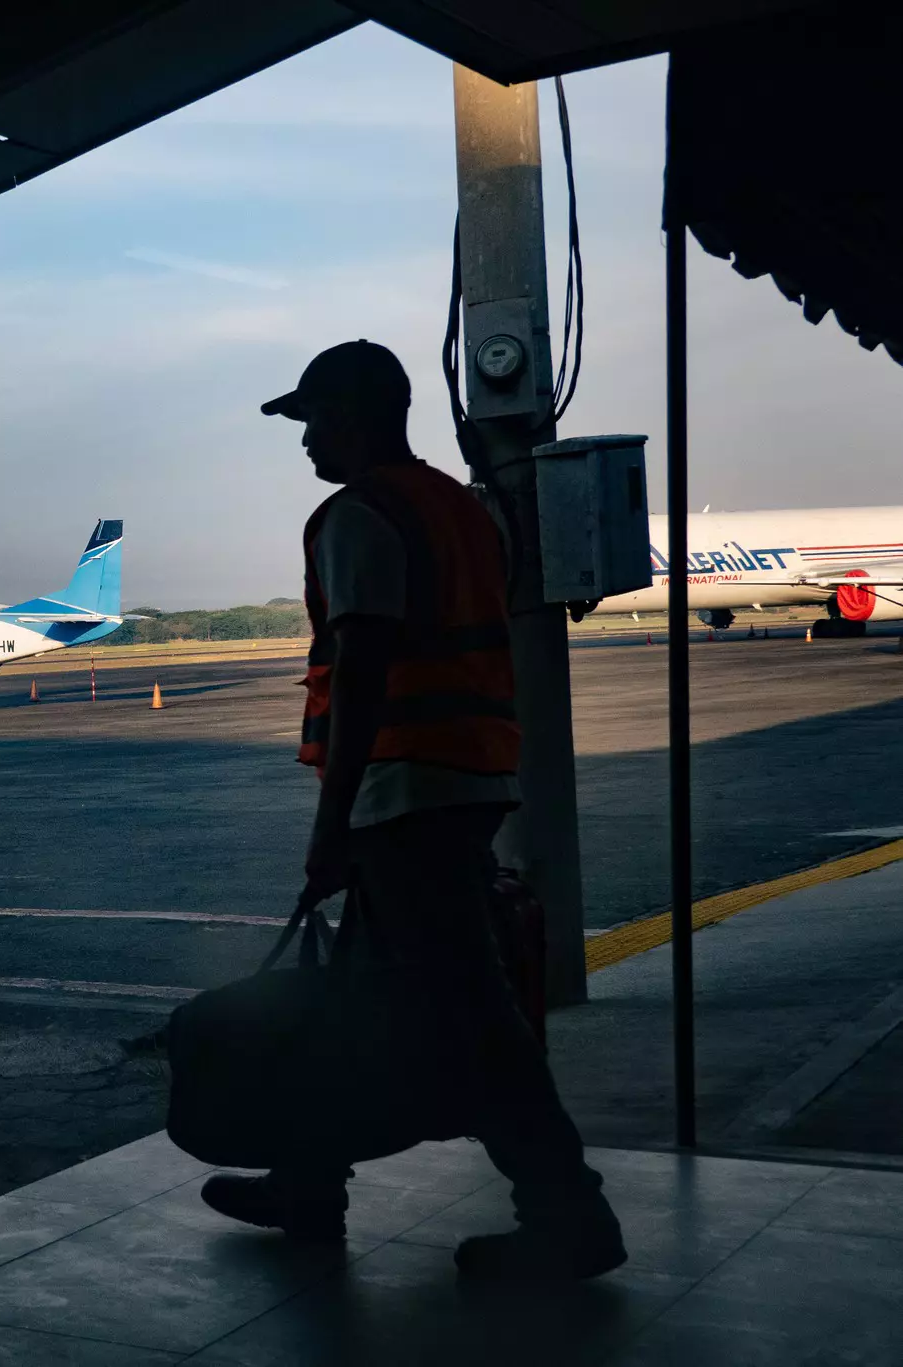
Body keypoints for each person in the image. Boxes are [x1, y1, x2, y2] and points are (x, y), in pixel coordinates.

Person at [198, 339, 626, 1280]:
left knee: (475, 1016)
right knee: (344, 1002)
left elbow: (362, 673)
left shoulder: (358, 517)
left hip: (405, 798)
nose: (304, 438)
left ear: (352, 417)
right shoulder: (463, 512)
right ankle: (307, 1186)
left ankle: (569, 1213)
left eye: (311, 418)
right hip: (469, 782)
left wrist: (330, 828)